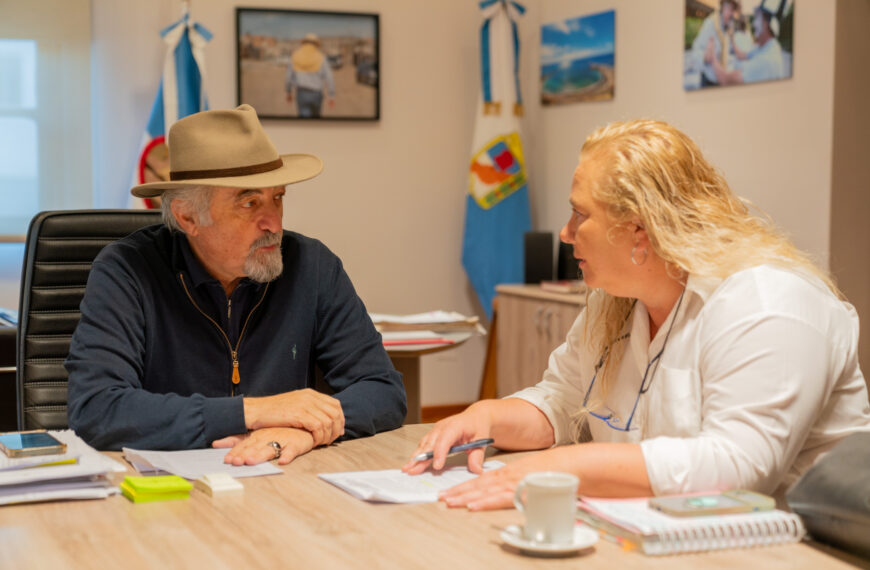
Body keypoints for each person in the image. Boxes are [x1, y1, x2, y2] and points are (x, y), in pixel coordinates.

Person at [403, 119, 870, 510]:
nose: (565, 234)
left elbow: (737, 469)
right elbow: (563, 401)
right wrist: (489, 417)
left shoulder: (770, 302)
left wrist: (559, 469)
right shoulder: (618, 302)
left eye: (579, 216)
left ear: (640, 231)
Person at [66, 104, 406, 465]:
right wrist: (254, 412)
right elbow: (96, 410)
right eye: (249, 202)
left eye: (278, 197)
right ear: (187, 217)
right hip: (169, 493)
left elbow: (383, 390)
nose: (273, 223)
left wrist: (303, 429)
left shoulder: (312, 265)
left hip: (281, 485)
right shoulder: (127, 270)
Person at [708, 2, 785, 85]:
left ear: (766, 24)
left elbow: (726, 79)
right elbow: (741, 55)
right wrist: (732, 39)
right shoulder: (768, 47)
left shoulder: (766, 60)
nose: (753, 24)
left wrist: (712, 55)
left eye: (757, 18)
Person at [690, 0, 741, 88]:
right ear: (723, 6)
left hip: (721, 80)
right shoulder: (710, 24)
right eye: (730, 8)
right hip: (709, 82)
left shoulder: (728, 26)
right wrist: (705, 56)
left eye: (734, 9)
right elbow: (695, 51)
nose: (732, 13)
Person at [285, 33, 336, 118]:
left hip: (302, 93)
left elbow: (288, 77)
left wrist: (288, 92)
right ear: (316, 44)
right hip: (317, 94)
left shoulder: (295, 55)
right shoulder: (321, 57)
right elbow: (329, 77)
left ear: (304, 43)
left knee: (304, 123)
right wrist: (331, 95)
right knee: (316, 123)